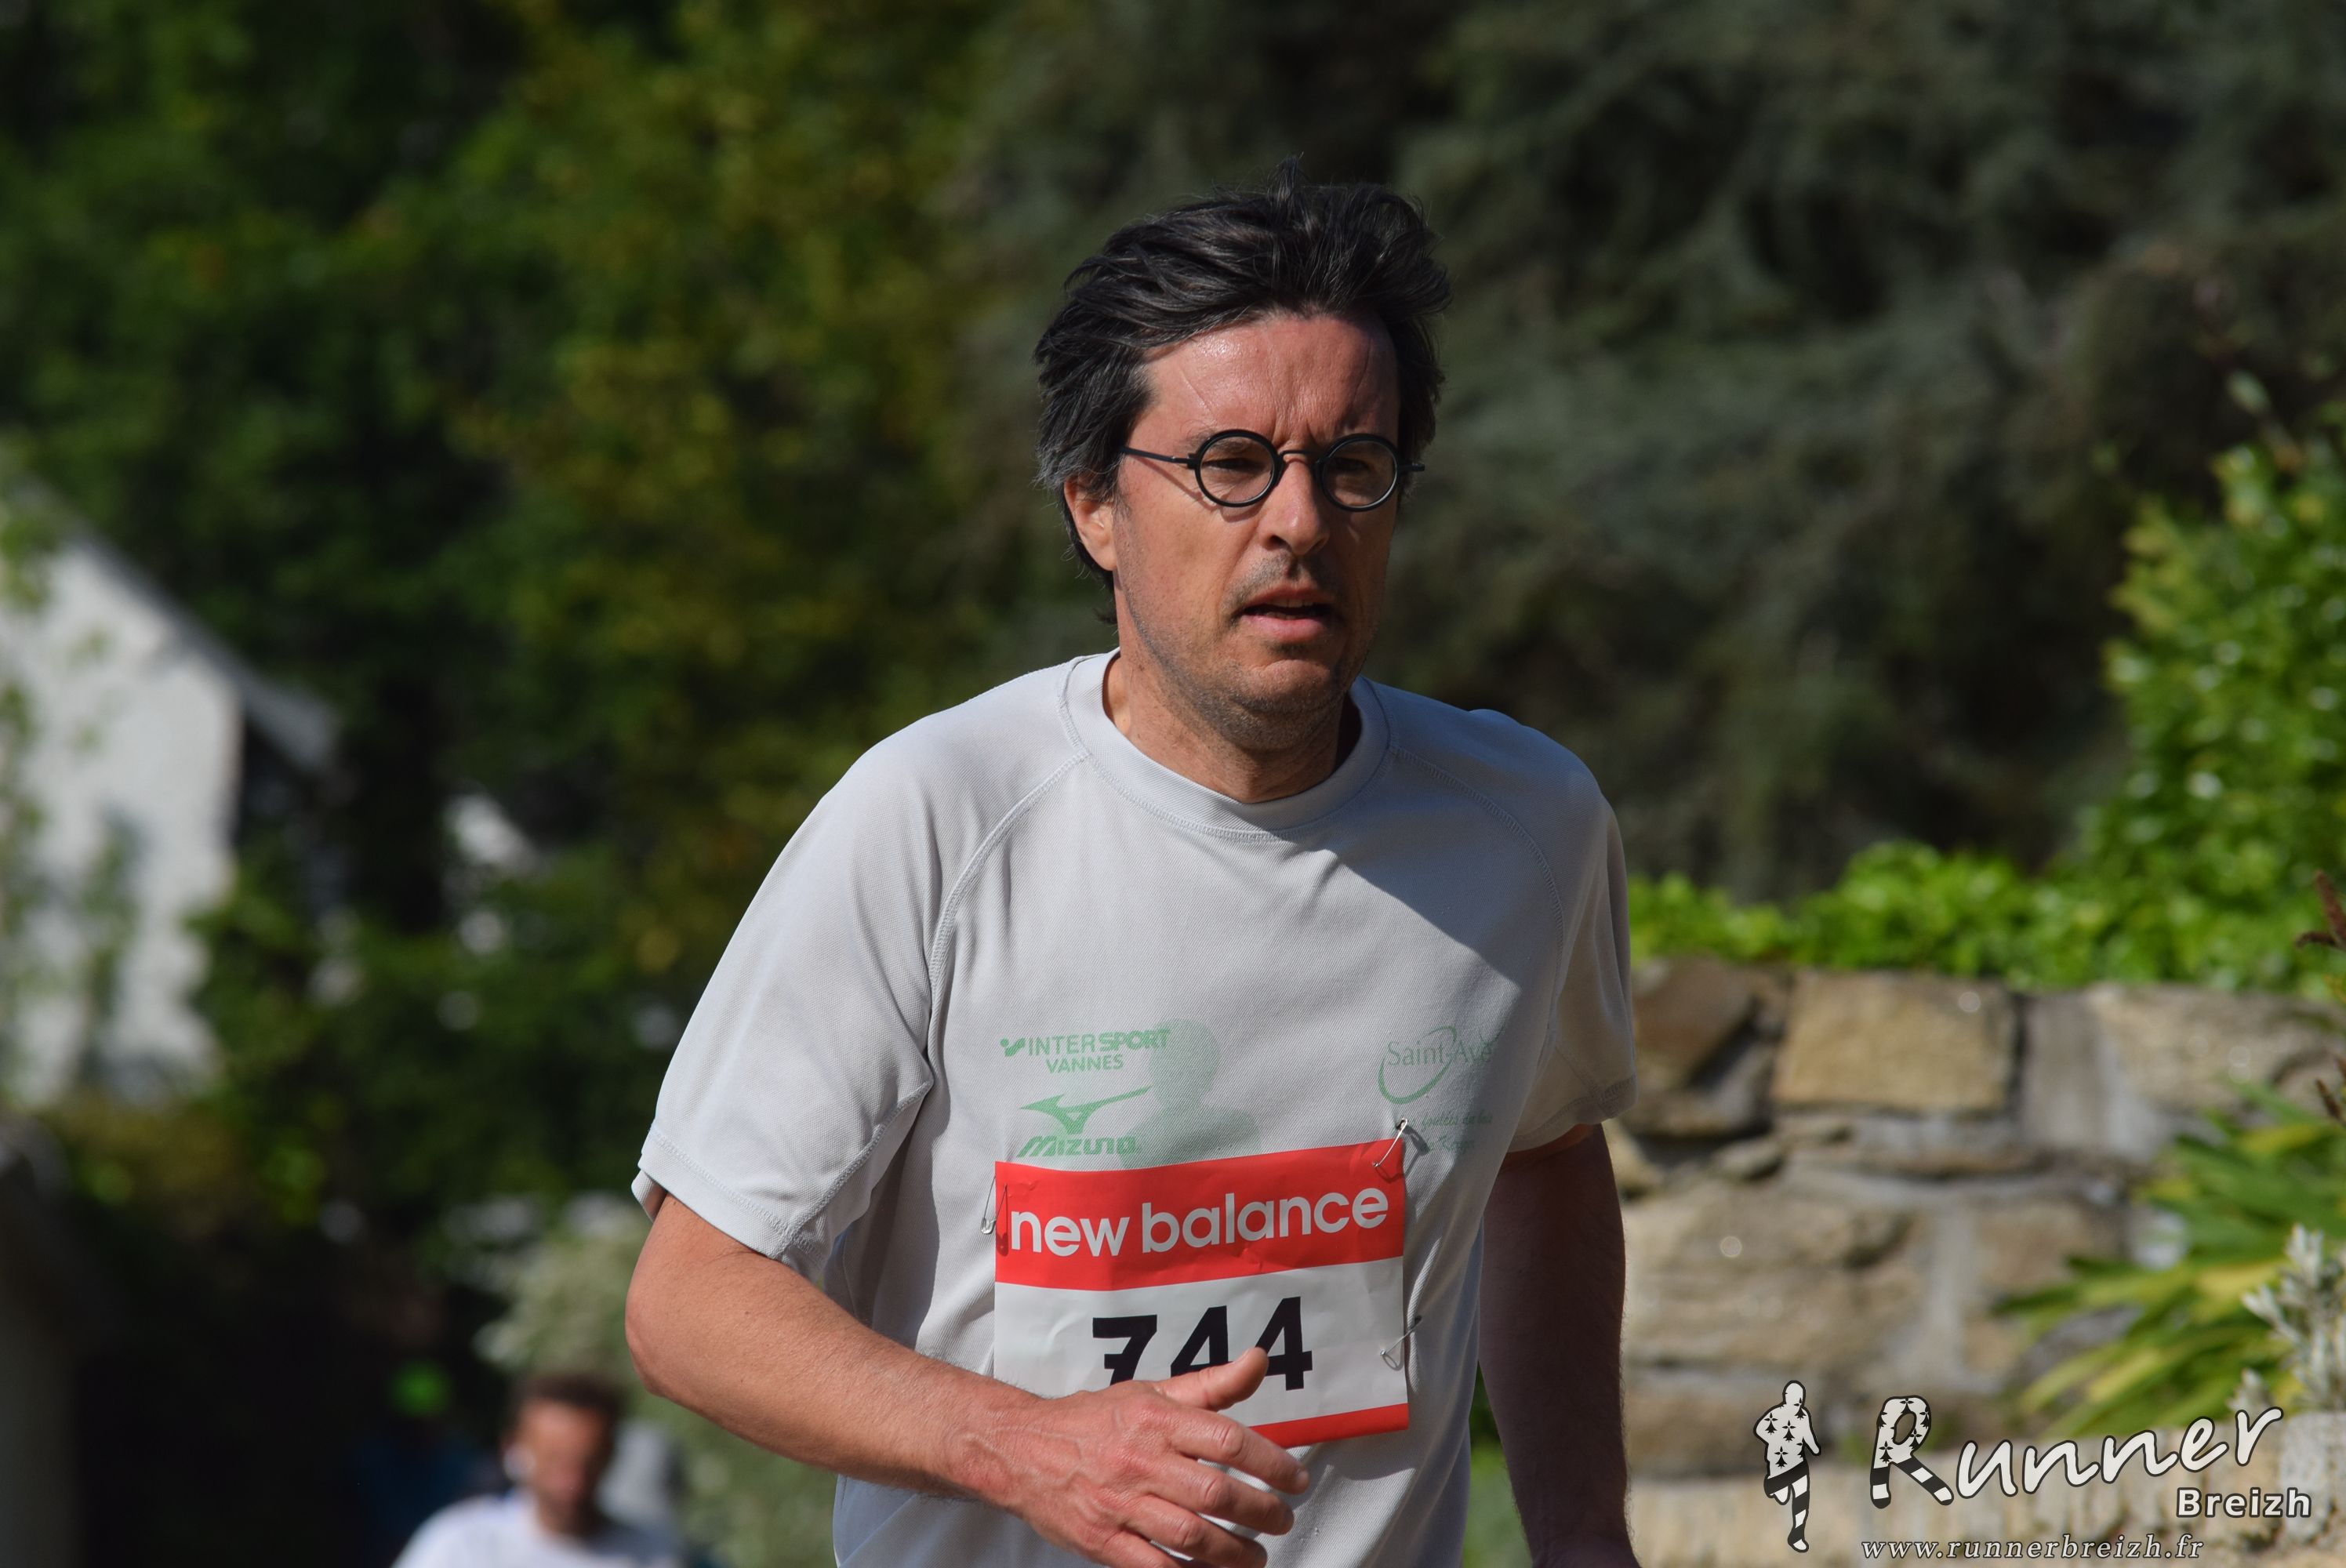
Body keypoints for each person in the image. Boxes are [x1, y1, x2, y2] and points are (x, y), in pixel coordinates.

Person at [624, 158, 1643, 1568]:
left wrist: (1584, 1537)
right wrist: (1026, 1445)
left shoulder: (1527, 824)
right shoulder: (933, 817)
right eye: (1231, 466)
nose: (1300, 522)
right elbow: (688, 1302)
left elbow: (1546, 1154)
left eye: (1353, 466)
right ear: (1093, 505)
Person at [392, 1371, 684, 1568]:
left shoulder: (651, 1554)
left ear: (611, 1456)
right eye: (554, 1460)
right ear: (513, 1448)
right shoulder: (460, 1545)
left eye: (587, 1461)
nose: (572, 1480)